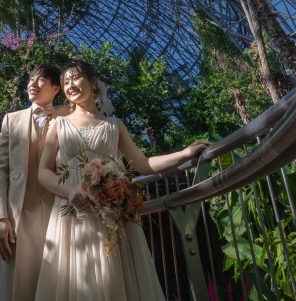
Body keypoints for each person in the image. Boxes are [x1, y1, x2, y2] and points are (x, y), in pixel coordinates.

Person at [36, 60, 210, 301]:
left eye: (75, 78)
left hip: (112, 212)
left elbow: (142, 164)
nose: (70, 85)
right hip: (73, 212)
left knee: (114, 274)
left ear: (93, 82)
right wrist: (70, 190)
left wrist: (184, 154)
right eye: (65, 82)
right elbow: (43, 172)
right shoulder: (58, 124)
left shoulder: (114, 125)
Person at [0, 63, 65, 301]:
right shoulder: (11, 120)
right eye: (30, 79)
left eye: (40, 80)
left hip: (62, 213)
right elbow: (0, 170)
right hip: (19, 214)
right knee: (19, 288)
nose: (32, 83)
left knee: (62, 282)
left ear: (56, 88)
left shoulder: (69, 115)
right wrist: (0, 218)